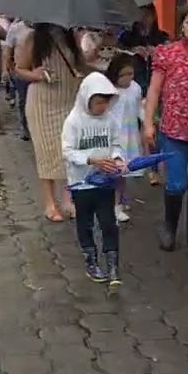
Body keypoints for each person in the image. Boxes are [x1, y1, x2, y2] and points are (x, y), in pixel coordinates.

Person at [143, 5, 188, 260]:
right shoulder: (168, 53)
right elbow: (154, 90)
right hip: (173, 130)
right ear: (181, 26)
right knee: (176, 183)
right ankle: (169, 228)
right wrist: (148, 123)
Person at [16, 23, 87, 222]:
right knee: (46, 153)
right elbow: (19, 69)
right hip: (42, 104)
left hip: (69, 101)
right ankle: (50, 203)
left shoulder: (71, 37)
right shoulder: (33, 38)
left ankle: (68, 200)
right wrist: (36, 75)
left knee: (69, 151)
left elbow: (81, 65)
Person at [62, 72, 125, 286]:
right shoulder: (73, 121)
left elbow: (116, 144)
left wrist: (117, 159)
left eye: (105, 102)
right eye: (98, 102)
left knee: (109, 222)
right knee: (85, 222)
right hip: (81, 184)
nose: (102, 107)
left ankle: (113, 264)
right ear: (86, 99)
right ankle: (91, 261)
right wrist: (91, 160)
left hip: (105, 182)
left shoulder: (111, 120)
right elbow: (68, 151)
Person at [104, 53, 143, 223]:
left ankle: (118, 202)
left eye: (130, 74)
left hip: (130, 135)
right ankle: (111, 204)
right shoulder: (108, 90)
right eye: (123, 75)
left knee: (123, 172)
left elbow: (139, 108)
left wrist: (148, 121)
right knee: (111, 171)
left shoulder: (135, 88)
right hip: (112, 137)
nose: (127, 78)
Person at [118, 5, 170, 91]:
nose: (143, 18)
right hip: (133, 80)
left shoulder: (163, 37)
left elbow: (169, 55)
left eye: (147, 15)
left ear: (153, 16)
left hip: (156, 80)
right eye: (140, 15)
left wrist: (158, 52)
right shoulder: (126, 36)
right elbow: (118, 52)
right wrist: (132, 51)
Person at [3, 17, 32, 140]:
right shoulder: (15, 29)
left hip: (39, 69)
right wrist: (6, 70)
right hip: (21, 71)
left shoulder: (44, 29)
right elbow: (7, 51)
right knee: (23, 100)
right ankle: (25, 127)